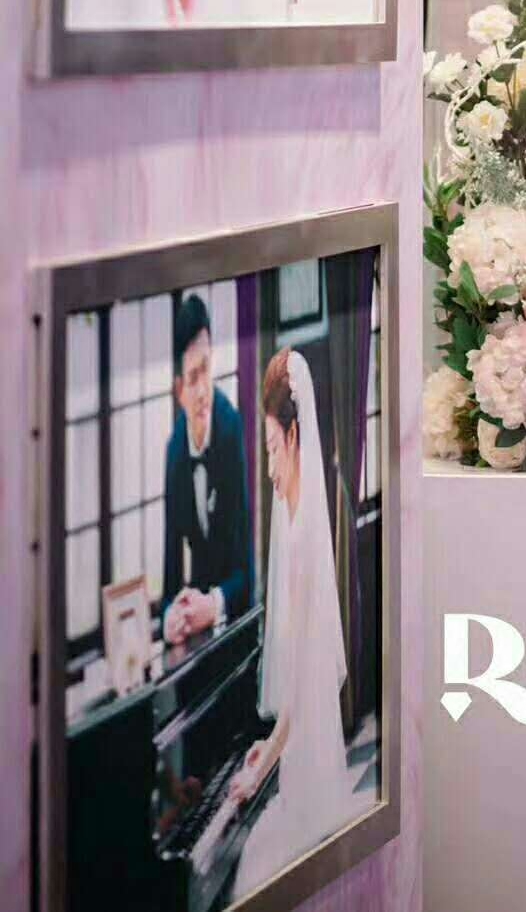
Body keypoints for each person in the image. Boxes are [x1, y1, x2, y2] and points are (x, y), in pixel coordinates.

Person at [229, 349, 355, 899]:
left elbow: (300, 697)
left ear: (295, 436)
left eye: (273, 449)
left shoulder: (303, 547)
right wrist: (270, 751)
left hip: (305, 777)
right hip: (306, 762)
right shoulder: (303, 525)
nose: (270, 470)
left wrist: (256, 771)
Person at [162, 294, 253, 645]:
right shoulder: (174, 452)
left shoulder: (231, 429)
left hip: (235, 617)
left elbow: (246, 573)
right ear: (178, 390)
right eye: (193, 377)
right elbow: (171, 574)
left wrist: (213, 605)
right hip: (196, 622)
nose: (203, 391)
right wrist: (170, 617)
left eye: (207, 369)